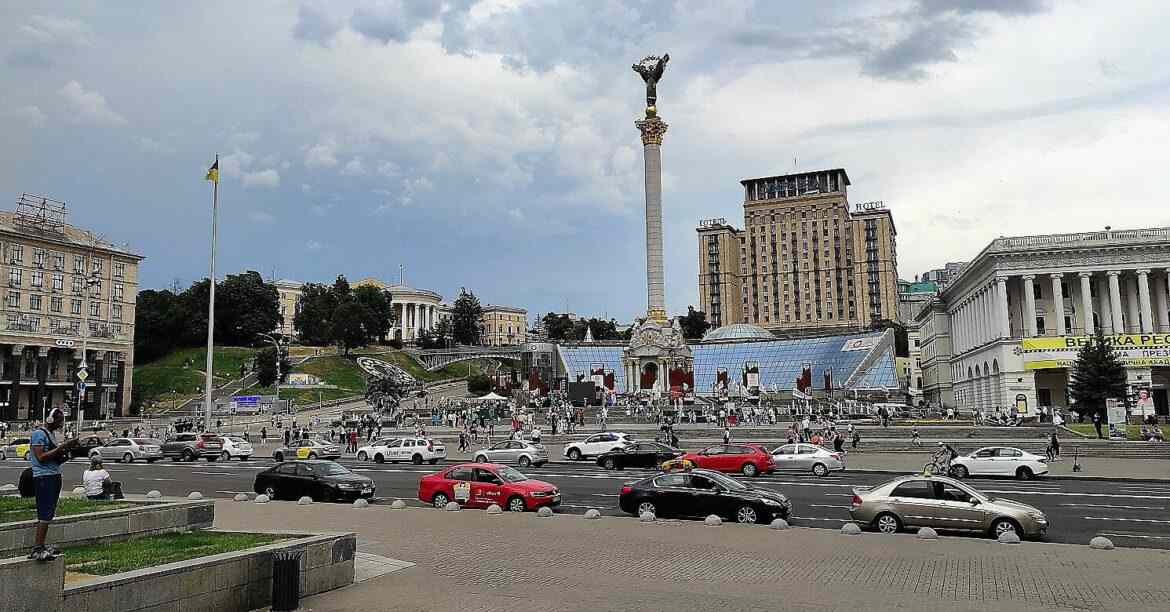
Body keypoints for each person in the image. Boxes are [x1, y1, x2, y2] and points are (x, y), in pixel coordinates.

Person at [28, 408, 79, 561]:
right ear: (51, 419)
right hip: (44, 478)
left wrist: (68, 451)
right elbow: (41, 457)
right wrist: (63, 447)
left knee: (49, 513)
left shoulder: (51, 435)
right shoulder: (39, 434)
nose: (61, 423)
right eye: (59, 420)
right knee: (44, 513)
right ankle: (37, 548)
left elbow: (54, 458)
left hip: (53, 475)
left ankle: (42, 545)